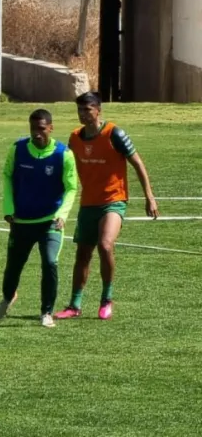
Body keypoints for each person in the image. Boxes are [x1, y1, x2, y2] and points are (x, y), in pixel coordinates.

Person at [53, 92, 159, 321]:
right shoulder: (74, 138)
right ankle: (74, 305)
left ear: (98, 110)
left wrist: (149, 196)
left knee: (105, 244)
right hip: (88, 203)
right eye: (80, 110)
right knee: (83, 255)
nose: (83, 114)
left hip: (114, 201)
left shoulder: (115, 134)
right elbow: (67, 170)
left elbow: (137, 163)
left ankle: (106, 299)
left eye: (87, 110)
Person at [0, 109, 78, 328]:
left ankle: (46, 312)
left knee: (50, 262)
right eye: (33, 129)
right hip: (21, 221)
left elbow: (71, 187)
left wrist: (62, 214)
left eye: (41, 129)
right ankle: (8, 296)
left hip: (50, 222)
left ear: (51, 128)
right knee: (14, 266)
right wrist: (8, 208)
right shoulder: (18, 149)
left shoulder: (63, 154)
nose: (37, 134)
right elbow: (7, 176)